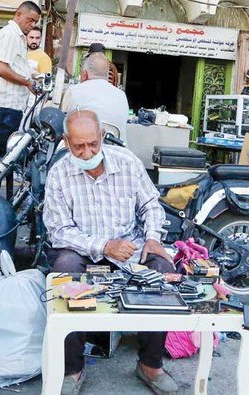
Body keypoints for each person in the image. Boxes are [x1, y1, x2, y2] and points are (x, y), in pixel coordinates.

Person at [42, 110, 179, 395]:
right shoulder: (59, 174)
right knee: (65, 267)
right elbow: (58, 231)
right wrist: (104, 246)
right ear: (66, 142)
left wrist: (153, 238)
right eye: (79, 146)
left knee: (164, 271)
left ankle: (150, 365)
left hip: (130, 248)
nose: (87, 151)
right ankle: (73, 369)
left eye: (93, 143)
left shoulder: (127, 162)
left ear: (103, 137)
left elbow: (151, 206)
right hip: (84, 250)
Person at [0, 1, 41, 155]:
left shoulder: (17, 37)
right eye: (30, 20)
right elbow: (1, 68)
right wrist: (27, 82)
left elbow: (13, 67)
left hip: (9, 107)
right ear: (18, 15)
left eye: (35, 22)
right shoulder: (10, 34)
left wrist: (31, 76)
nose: (32, 25)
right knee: (2, 159)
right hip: (4, 107)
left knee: (4, 157)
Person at [61, 53, 129, 136]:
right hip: (117, 146)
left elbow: (63, 121)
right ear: (107, 75)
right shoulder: (121, 95)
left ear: (84, 74)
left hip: (83, 145)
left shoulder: (74, 91)